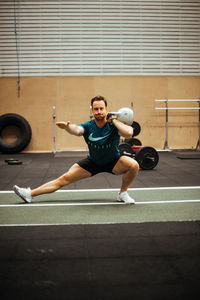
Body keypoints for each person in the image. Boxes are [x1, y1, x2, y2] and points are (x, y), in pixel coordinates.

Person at [14, 96, 139, 204]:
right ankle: (29, 194)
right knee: (63, 179)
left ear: (107, 109)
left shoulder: (114, 124)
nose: (99, 111)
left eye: (102, 108)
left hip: (113, 161)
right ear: (92, 110)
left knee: (134, 165)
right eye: (96, 109)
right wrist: (68, 128)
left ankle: (122, 194)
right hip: (93, 163)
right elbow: (77, 130)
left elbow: (129, 133)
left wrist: (113, 120)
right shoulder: (88, 126)